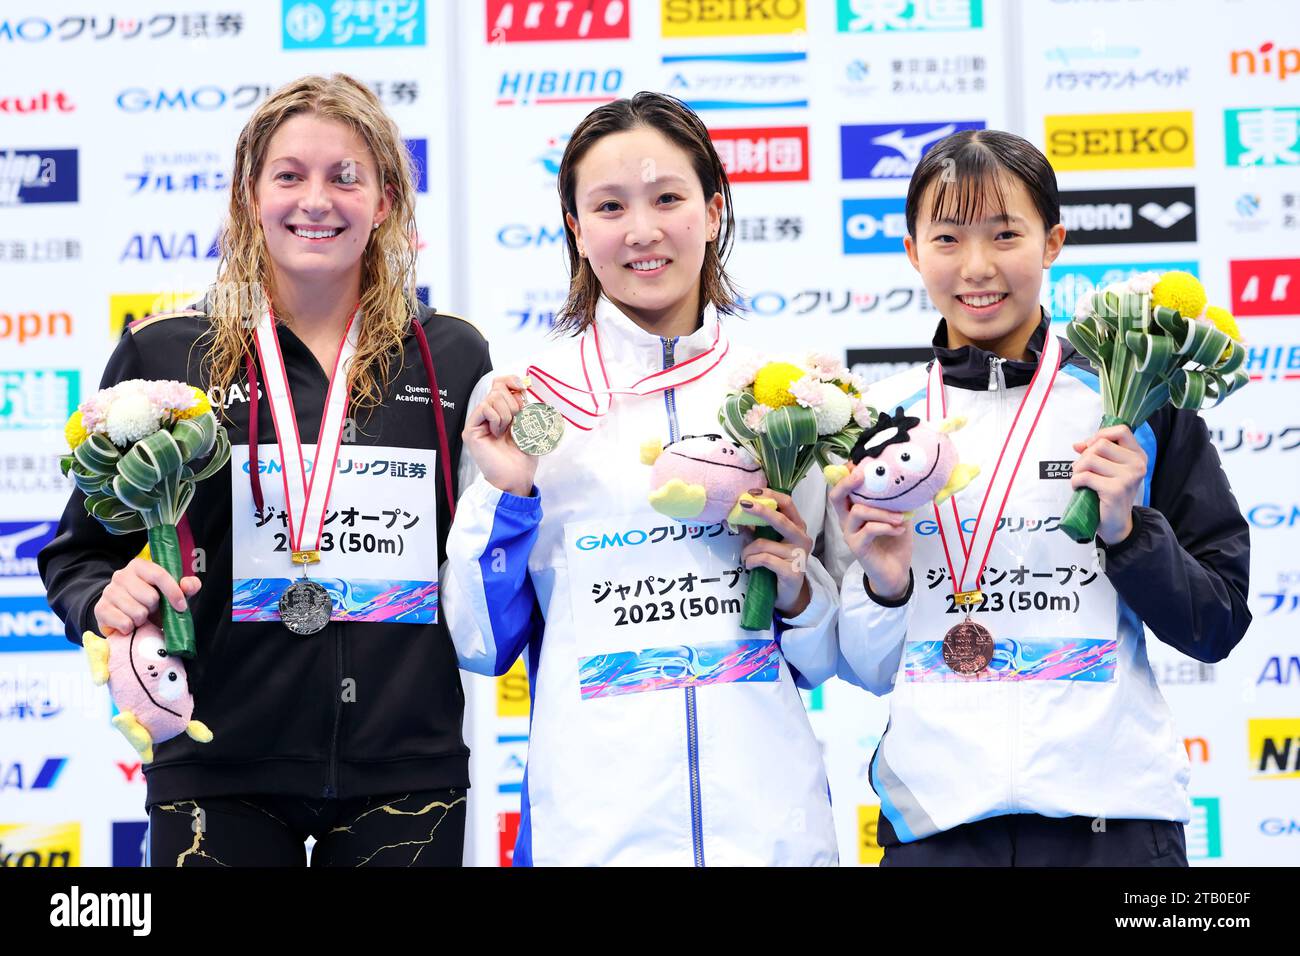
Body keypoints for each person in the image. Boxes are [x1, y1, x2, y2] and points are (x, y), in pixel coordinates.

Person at [39, 74, 488, 866]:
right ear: (251, 195)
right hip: (218, 761)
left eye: (345, 177)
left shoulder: (449, 353)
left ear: (384, 201)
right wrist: (102, 598)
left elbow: (483, 551)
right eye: (290, 175)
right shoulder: (165, 355)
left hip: (406, 764)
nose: (316, 199)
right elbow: (77, 552)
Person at [831, 129, 1252, 866]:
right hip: (938, 830)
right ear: (911, 251)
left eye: (1005, 234)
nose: (978, 267)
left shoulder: (1136, 404)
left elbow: (1215, 625)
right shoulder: (879, 423)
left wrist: (1129, 534)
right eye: (948, 238)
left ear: (1052, 241)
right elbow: (866, 669)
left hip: (1114, 826)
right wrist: (884, 584)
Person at [443, 92, 840, 866]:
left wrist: (796, 585)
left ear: (715, 209)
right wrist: (509, 493)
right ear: (575, 228)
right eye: (610, 206)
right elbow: (480, 642)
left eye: (668, 198)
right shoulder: (534, 402)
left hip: (771, 830)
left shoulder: (786, 393)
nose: (643, 230)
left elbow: (825, 657)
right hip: (595, 835)